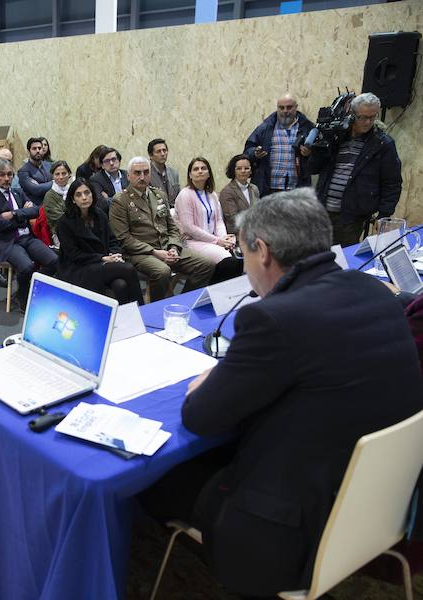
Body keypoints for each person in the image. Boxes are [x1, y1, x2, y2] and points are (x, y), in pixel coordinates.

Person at [166, 188, 423, 597]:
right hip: (378, 510)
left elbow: (199, 416)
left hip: (289, 531)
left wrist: (205, 383)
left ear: (262, 252)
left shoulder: (272, 319)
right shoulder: (374, 291)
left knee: (157, 478)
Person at [109, 157, 214, 300]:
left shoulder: (158, 195)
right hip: (141, 253)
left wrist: (174, 248)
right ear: (128, 175)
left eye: (146, 172)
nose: (142, 177)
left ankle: (185, 301)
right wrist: (155, 252)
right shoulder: (120, 201)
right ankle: (156, 308)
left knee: (206, 265)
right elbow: (124, 238)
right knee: (162, 271)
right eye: (137, 173)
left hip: (167, 248)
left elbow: (172, 227)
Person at [309, 92, 403, 247]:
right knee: (314, 256)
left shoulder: (383, 144)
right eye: (363, 117)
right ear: (352, 114)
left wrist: (384, 214)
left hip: (352, 217)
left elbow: (392, 183)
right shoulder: (336, 136)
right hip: (322, 210)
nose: (367, 122)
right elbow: (314, 168)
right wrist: (315, 150)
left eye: (372, 117)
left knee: (343, 261)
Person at [0, 159, 58, 309]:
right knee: (27, 267)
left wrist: (14, 214)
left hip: (27, 238)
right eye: (2, 175)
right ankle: (22, 297)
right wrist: (24, 215)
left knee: (54, 260)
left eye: (10, 174)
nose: (6, 178)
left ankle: (34, 290)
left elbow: (36, 211)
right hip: (6, 242)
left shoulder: (17, 192)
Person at [56, 179, 142, 305]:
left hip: (102, 264)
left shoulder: (99, 214)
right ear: (73, 200)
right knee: (128, 269)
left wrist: (115, 254)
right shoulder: (64, 222)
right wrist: (103, 258)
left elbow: (113, 240)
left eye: (87, 193)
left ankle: (127, 319)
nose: (84, 197)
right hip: (78, 268)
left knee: (121, 285)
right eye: (79, 195)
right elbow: (74, 255)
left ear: (92, 195)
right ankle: (142, 312)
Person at [174, 157, 243, 284]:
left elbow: (218, 221)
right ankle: (212, 292)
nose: (200, 171)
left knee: (239, 262)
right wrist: (218, 241)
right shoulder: (185, 195)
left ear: (209, 173)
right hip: (193, 242)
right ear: (190, 174)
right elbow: (189, 227)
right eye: (196, 169)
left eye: (203, 168)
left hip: (213, 240)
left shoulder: (212, 194)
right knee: (229, 262)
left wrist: (224, 238)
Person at [243, 92, 313, 197]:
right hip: (268, 189)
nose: (285, 111)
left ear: (296, 108)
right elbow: (247, 150)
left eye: (289, 107)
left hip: (297, 190)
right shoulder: (265, 128)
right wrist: (255, 153)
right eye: (281, 107)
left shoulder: (307, 128)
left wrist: (309, 154)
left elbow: (320, 158)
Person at [218, 154, 259, 235]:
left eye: (246, 168)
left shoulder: (254, 188)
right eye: (239, 168)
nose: (243, 171)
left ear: (251, 171)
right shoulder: (227, 191)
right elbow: (233, 219)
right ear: (233, 171)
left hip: (255, 232)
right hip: (237, 235)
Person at [42, 160, 72, 241]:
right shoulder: (50, 196)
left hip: (79, 228)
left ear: (69, 175)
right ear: (53, 176)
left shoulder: (74, 191)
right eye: (57, 174)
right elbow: (60, 220)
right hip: (60, 234)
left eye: (64, 173)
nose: (61, 177)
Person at [18, 137, 52, 206]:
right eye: (34, 148)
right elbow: (36, 190)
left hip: (52, 204)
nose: (38, 151)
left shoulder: (49, 166)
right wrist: (55, 182)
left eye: (39, 148)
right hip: (36, 208)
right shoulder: (23, 171)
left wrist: (41, 186)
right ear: (28, 151)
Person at [147, 138, 181, 205]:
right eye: (158, 151)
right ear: (151, 155)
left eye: (164, 150)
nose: (162, 154)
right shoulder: (146, 174)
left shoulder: (174, 173)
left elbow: (178, 196)